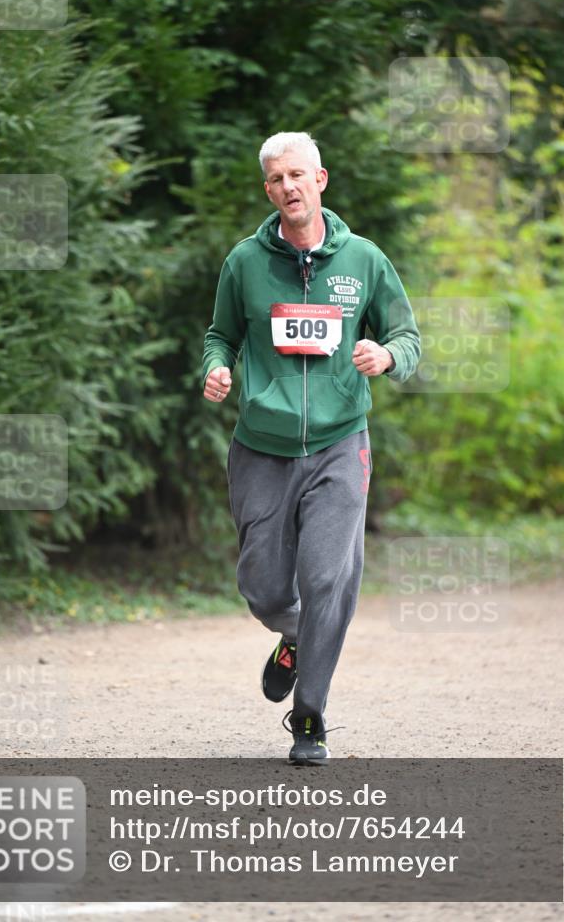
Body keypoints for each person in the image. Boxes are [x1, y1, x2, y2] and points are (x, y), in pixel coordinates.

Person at [201, 132, 420, 765]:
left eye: (297, 175)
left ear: (320, 180)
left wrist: (386, 355)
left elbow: (406, 336)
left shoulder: (364, 260)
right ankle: (295, 636)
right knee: (265, 589)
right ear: (268, 190)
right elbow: (220, 336)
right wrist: (216, 367)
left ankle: (310, 716)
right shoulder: (245, 262)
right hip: (261, 447)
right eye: (276, 179)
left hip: (339, 443)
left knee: (328, 579)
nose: (288, 187)